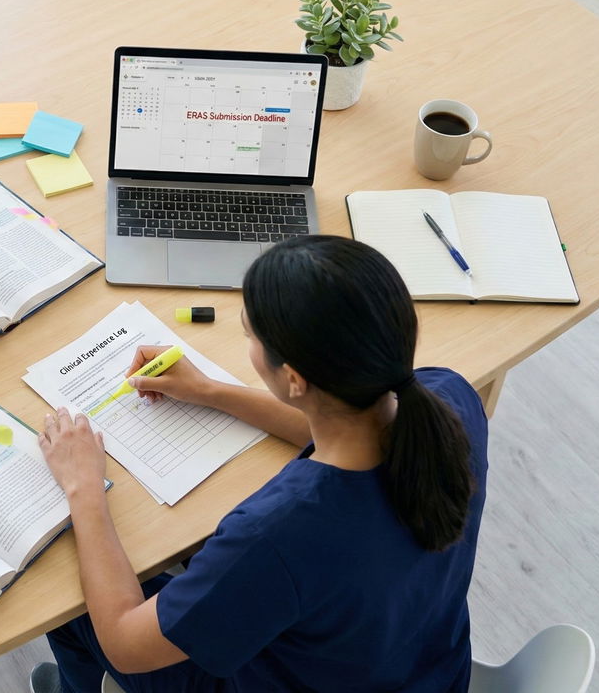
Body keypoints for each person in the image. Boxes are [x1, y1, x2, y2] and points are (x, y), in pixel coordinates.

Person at [30, 235, 489, 693]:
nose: (247, 342)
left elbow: (126, 643)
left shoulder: (277, 534)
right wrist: (212, 391)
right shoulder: (450, 400)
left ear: (293, 379)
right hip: (422, 671)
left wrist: (83, 487)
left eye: (249, 334)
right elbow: (354, 424)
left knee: (72, 611)